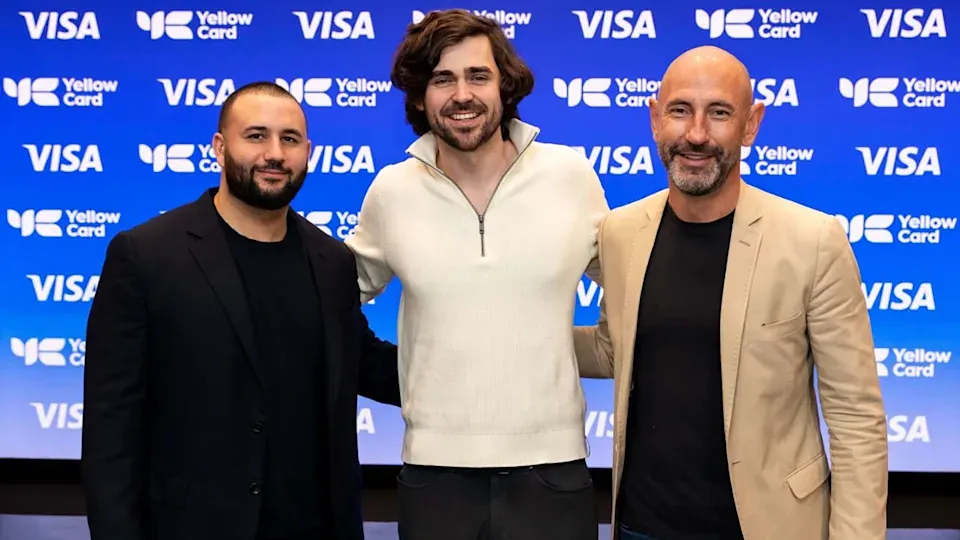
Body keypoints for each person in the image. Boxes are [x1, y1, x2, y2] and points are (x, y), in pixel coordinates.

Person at [574, 46, 888, 540]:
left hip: (770, 528)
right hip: (640, 526)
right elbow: (616, 350)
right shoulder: (620, 232)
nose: (697, 134)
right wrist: (512, 335)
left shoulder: (813, 241)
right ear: (655, 119)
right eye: (680, 110)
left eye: (719, 112)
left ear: (751, 124)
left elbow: (856, 419)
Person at [82, 81, 401, 540]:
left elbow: (363, 360)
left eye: (289, 139)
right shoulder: (146, 255)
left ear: (308, 152)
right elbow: (111, 425)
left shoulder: (331, 261)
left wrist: (473, 373)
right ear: (219, 146)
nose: (275, 154)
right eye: (256, 136)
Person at [343, 9, 609, 540]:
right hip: (433, 478)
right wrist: (398, 372)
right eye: (442, 79)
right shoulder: (392, 191)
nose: (462, 95)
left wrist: (571, 348)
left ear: (504, 86)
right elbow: (331, 297)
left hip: (554, 473)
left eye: (477, 76)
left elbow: (633, 288)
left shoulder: (570, 176)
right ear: (419, 97)